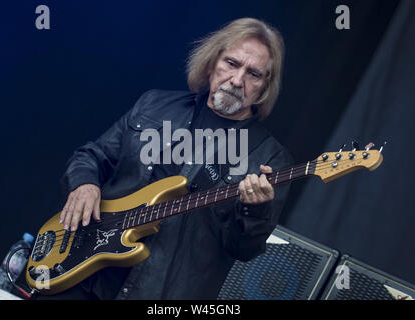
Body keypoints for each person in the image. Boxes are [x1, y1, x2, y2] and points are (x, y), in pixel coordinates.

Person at [38, 17, 293, 300]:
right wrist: (84, 184)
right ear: (212, 62)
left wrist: (254, 211)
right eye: (232, 64)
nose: (237, 80)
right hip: (81, 271)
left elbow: (243, 250)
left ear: (264, 87)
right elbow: (92, 155)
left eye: (253, 74)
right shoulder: (154, 104)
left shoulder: (268, 158)